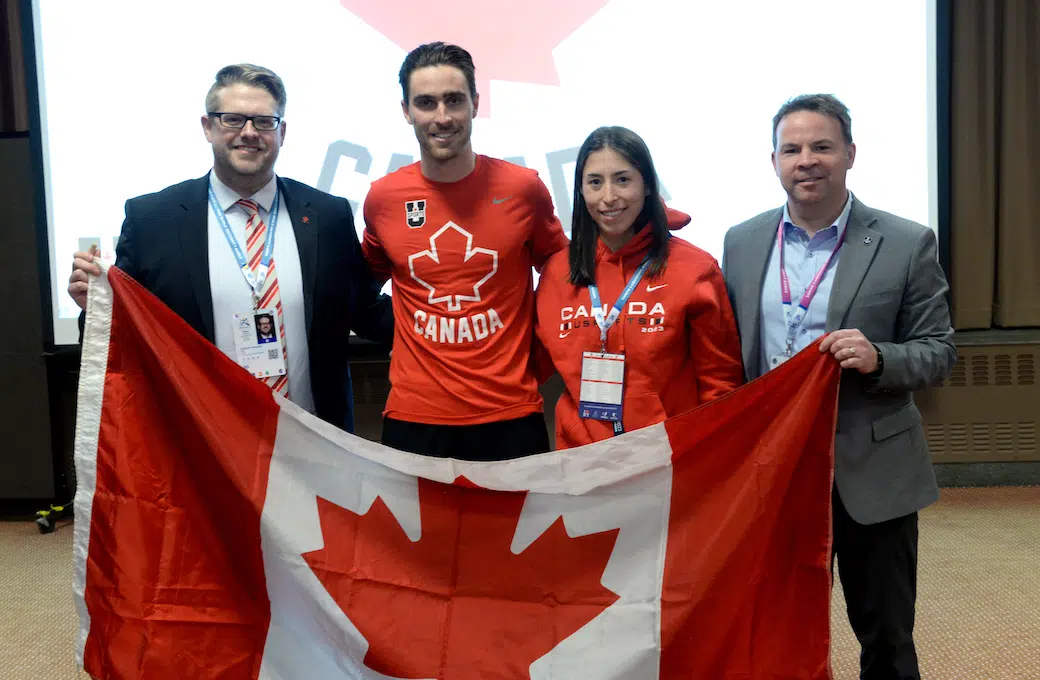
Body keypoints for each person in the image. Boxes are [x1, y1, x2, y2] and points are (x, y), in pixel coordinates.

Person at [721, 94, 956, 679]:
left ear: (850, 154)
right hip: (775, 470)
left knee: (886, 635)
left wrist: (879, 358)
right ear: (772, 160)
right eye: (792, 149)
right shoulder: (742, 243)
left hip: (869, 469)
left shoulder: (906, 242)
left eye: (822, 146)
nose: (807, 160)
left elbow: (939, 352)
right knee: (776, 626)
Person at [67, 64, 392, 434]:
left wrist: (449, 323)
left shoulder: (326, 216)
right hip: (203, 448)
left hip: (314, 446)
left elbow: (366, 311)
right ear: (207, 127)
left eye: (264, 122)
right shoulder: (152, 220)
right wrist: (91, 309)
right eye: (233, 119)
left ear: (282, 132)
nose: (249, 133)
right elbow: (127, 331)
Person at [361, 42, 569, 460]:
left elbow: (563, 274)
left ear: (475, 103)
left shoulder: (522, 189)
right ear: (406, 110)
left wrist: (542, 353)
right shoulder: (383, 199)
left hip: (510, 412)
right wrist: (396, 332)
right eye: (426, 103)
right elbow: (361, 286)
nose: (442, 117)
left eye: (454, 100)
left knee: (519, 528)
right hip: (414, 416)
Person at [534, 126, 743, 448]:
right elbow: (531, 368)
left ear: (646, 185)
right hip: (579, 463)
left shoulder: (694, 269)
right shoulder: (557, 272)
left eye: (622, 179)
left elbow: (720, 383)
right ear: (580, 190)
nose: (608, 197)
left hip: (670, 458)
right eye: (594, 182)